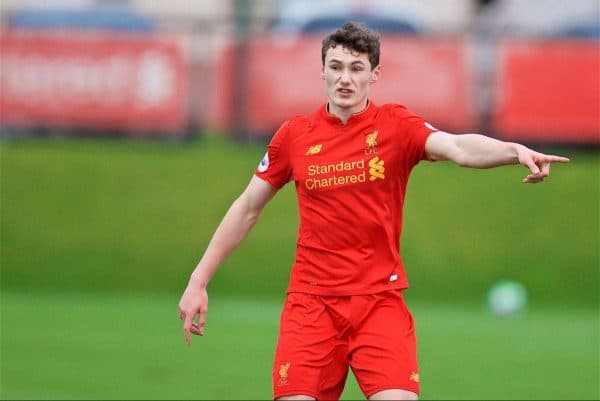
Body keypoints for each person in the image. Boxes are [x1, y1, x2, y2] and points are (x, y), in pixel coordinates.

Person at [178, 22, 569, 400]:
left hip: (379, 302)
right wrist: (199, 279)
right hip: (311, 305)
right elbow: (247, 207)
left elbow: (458, 147)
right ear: (323, 72)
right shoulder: (295, 136)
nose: (345, 78)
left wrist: (512, 151)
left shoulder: (396, 126)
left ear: (374, 75)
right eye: (336, 67)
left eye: (356, 68)